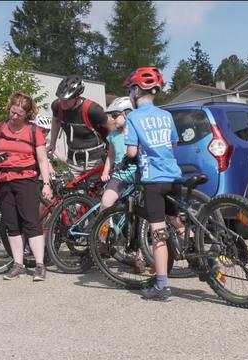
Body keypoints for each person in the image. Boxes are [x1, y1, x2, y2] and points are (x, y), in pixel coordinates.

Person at [123, 67, 182, 301]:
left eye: (130, 90)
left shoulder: (134, 117)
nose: (129, 95)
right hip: (173, 176)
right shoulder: (166, 115)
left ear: (137, 90)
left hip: (153, 180)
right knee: (176, 221)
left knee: (157, 233)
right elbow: (174, 144)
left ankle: (161, 286)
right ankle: (193, 249)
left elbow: (131, 151)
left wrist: (129, 158)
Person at [0, 93, 53, 281]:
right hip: (4, 181)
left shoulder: (34, 132)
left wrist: (47, 184)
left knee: (31, 222)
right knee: (12, 225)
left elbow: (42, 159)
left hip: (26, 180)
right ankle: (18, 264)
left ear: (27, 114)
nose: (14, 116)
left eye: (19, 113)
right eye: (12, 112)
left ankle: (40, 265)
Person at [99, 96, 145, 273]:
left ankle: (140, 257)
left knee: (139, 219)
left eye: (115, 115)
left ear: (127, 114)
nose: (112, 119)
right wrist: (105, 172)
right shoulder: (112, 136)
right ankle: (102, 240)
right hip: (119, 177)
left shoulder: (137, 133)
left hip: (137, 178)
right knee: (106, 203)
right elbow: (110, 156)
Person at [47, 75, 108, 179]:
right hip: (73, 160)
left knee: (95, 193)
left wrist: (114, 152)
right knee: (71, 193)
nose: (62, 103)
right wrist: (52, 143)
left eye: (66, 100)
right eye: (60, 99)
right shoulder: (57, 106)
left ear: (76, 97)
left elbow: (112, 128)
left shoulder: (92, 109)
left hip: (95, 160)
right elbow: (56, 120)